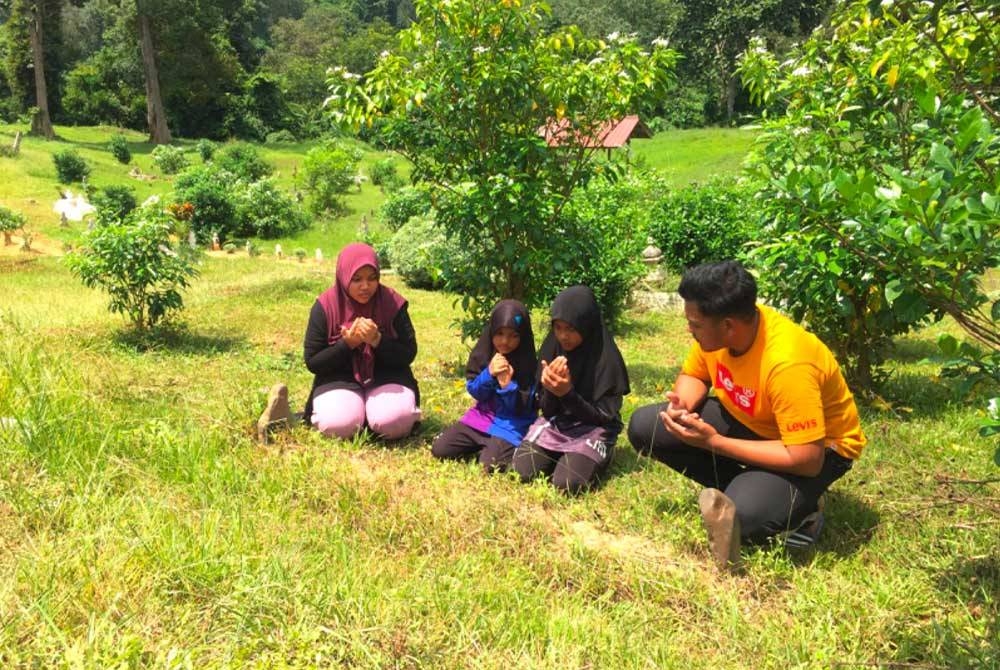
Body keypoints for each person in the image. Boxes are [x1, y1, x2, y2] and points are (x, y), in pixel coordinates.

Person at [626, 261, 866, 570]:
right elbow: (695, 375)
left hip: (817, 450)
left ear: (728, 325)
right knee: (648, 428)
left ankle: (804, 508)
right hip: (752, 422)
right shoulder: (716, 337)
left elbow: (807, 458)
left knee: (744, 518)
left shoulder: (787, 364)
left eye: (695, 324)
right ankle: (751, 485)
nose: (689, 329)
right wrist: (681, 406)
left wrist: (714, 442)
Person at [513, 285, 630, 494]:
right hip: (558, 423)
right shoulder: (552, 349)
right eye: (558, 328)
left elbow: (602, 417)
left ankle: (604, 453)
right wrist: (550, 390)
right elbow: (547, 411)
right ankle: (562, 455)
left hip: (594, 428)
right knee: (522, 470)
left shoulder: (606, 360)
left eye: (571, 329)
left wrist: (567, 394)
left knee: (567, 484)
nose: (563, 336)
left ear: (587, 326)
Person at [302, 242, 420, 440]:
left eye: (372, 279)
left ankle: (373, 414)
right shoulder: (325, 306)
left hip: (388, 375)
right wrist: (347, 345)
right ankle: (357, 413)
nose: (365, 286)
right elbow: (313, 361)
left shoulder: (392, 302)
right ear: (343, 276)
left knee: (393, 422)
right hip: (338, 378)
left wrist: (377, 340)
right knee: (337, 425)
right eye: (356, 279)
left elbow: (408, 353)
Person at [431, 300, 537, 471]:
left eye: (513, 335)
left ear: (522, 336)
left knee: (490, 466)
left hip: (511, 426)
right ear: (491, 331)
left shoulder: (529, 364)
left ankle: (498, 449)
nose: (505, 341)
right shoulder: (485, 352)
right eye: (500, 333)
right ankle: (482, 446)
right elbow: (475, 390)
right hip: (480, 419)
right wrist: (489, 374)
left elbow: (523, 408)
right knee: (440, 449)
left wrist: (507, 386)